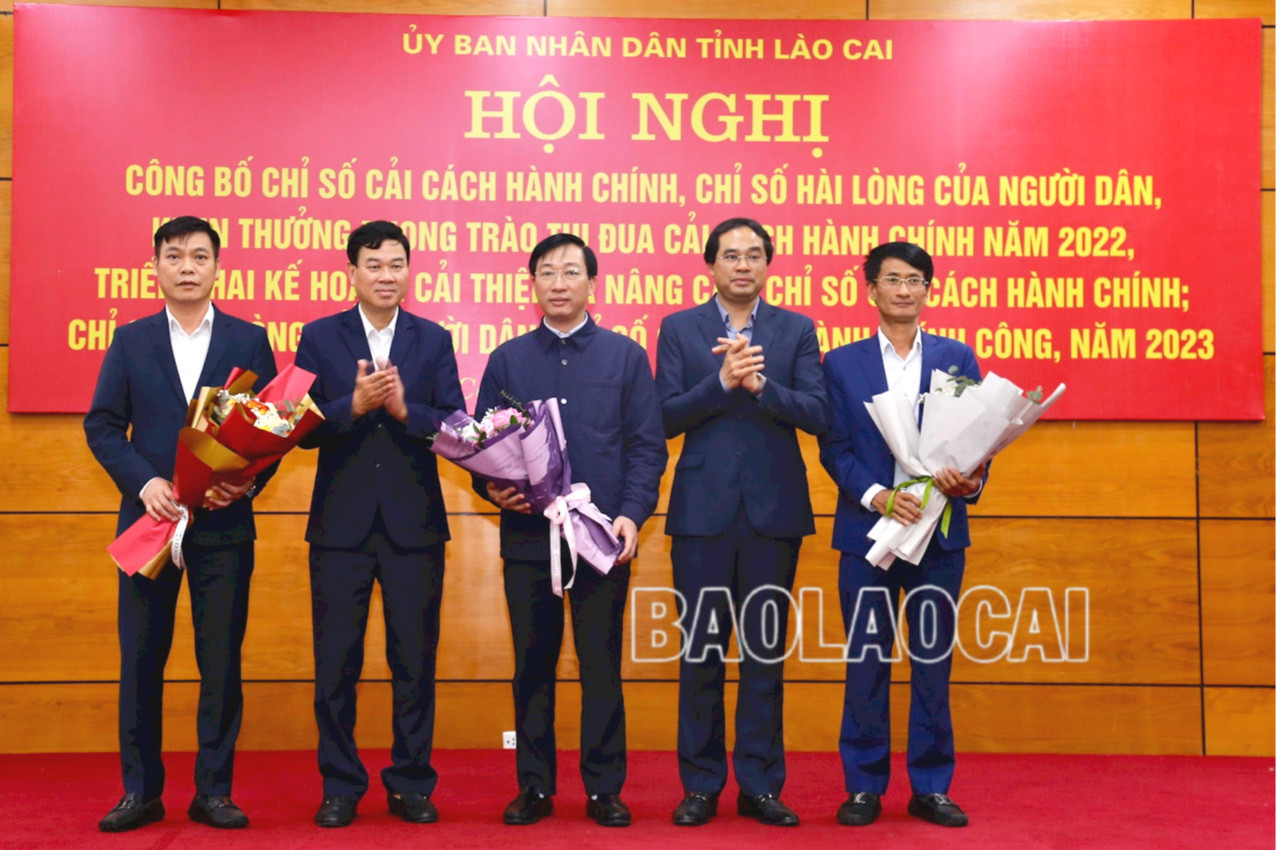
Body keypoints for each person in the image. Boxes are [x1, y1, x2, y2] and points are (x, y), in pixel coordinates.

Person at [85, 216, 278, 832]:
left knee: (220, 663)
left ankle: (214, 792)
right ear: (156, 267)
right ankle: (140, 792)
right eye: (174, 256)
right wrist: (144, 483)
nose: (187, 266)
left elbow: (272, 431)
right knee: (141, 660)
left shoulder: (249, 340)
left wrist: (244, 483)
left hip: (224, 527)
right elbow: (102, 425)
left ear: (218, 267)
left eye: (199, 256)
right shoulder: (130, 340)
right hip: (149, 525)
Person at [474, 233, 666, 828]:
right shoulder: (507, 359)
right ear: (532, 284)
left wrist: (632, 512)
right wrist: (491, 488)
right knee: (532, 665)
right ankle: (534, 786)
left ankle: (604, 788)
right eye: (547, 273)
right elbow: (483, 444)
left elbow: (647, 446)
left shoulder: (625, 356)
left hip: (602, 537)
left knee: (600, 664)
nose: (558, 283)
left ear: (591, 283)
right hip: (530, 537)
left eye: (570, 272)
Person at [655, 217, 828, 827]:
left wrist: (760, 387)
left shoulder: (796, 329)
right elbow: (664, 417)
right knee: (700, 653)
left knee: (764, 654)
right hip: (701, 515)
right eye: (731, 255)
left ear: (767, 265)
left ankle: (760, 785)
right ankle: (701, 786)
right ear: (712, 266)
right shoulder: (679, 328)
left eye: (754, 255)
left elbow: (818, 413)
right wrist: (721, 382)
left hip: (772, 514)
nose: (743, 265)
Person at [293, 220, 464, 828]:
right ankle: (340, 785)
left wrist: (404, 410)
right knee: (335, 664)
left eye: (396, 264)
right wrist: (354, 405)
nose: (386, 275)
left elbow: (455, 424)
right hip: (339, 529)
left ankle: (411, 783)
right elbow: (298, 427)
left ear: (408, 271)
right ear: (353, 272)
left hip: (414, 527)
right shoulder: (319, 337)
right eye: (374, 264)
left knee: (414, 662)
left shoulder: (433, 339)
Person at [819, 241, 987, 829]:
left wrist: (970, 479)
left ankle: (931, 787)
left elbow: (979, 437)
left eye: (916, 280)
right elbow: (835, 448)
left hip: (938, 536)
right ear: (871, 290)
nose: (904, 290)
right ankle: (864, 786)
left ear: (928, 290)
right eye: (892, 279)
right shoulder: (842, 364)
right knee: (867, 661)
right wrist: (879, 496)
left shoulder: (956, 357)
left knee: (932, 663)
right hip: (869, 535)